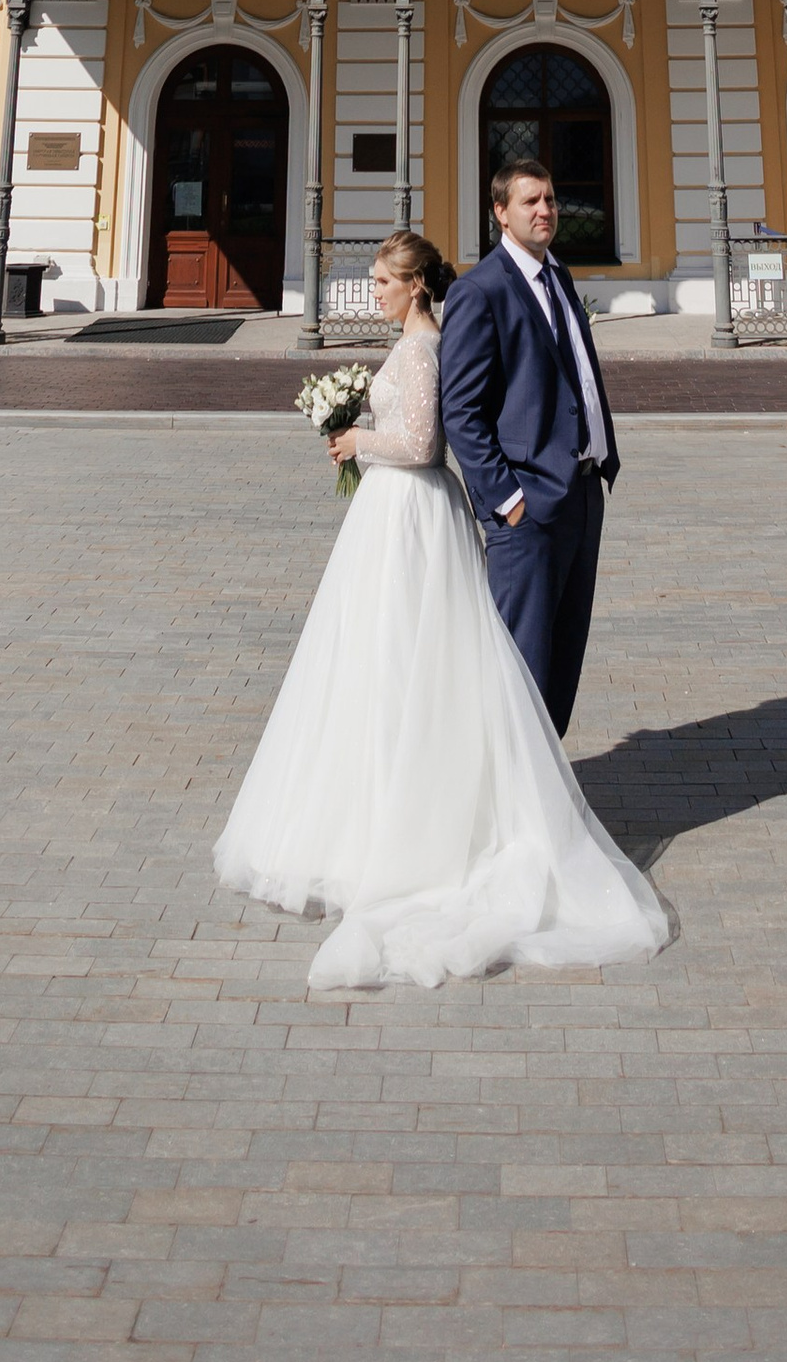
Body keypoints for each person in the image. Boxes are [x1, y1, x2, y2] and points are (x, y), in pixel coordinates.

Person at [213, 229, 667, 994]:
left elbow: (424, 444)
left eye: (384, 281)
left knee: (411, 661)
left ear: (416, 286)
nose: (375, 293)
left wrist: (355, 434)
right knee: (376, 666)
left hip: (413, 517)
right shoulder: (413, 340)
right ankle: (383, 798)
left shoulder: (425, 348)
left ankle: (426, 816)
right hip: (389, 521)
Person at [436, 163, 617, 736]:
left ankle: (545, 789)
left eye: (552, 199)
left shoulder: (558, 276)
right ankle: (504, 802)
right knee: (519, 664)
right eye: (531, 201)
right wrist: (507, 498)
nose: (545, 210)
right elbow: (460, 411)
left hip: (582, 495)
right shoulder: (479, 290)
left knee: (562, 660)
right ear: (500, 213)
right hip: (529, 509)